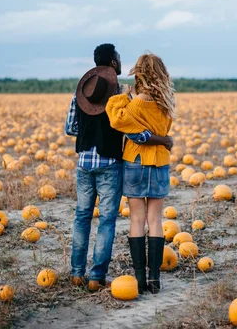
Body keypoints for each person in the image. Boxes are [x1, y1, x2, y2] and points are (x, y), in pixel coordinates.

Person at [65, 44, 173, 292]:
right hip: (121, 163)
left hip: (89, 163)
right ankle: (102, 277)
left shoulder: (83, 94)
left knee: (82, 218)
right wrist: (164, 140)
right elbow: (135, 128)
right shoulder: (136, 99)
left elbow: (71, 128)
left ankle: (77, 273)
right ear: (113, 63)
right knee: (111, 220)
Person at [105, 52, 175, 294]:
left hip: (134, 162)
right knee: (155, 220)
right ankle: (155, 279)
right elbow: (165, 132)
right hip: (159, 163)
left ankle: (139, 280)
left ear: (139, 74)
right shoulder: (166, 105)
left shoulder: (134, 104)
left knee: (136, 219)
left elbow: (115, 119)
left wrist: (122, 97)